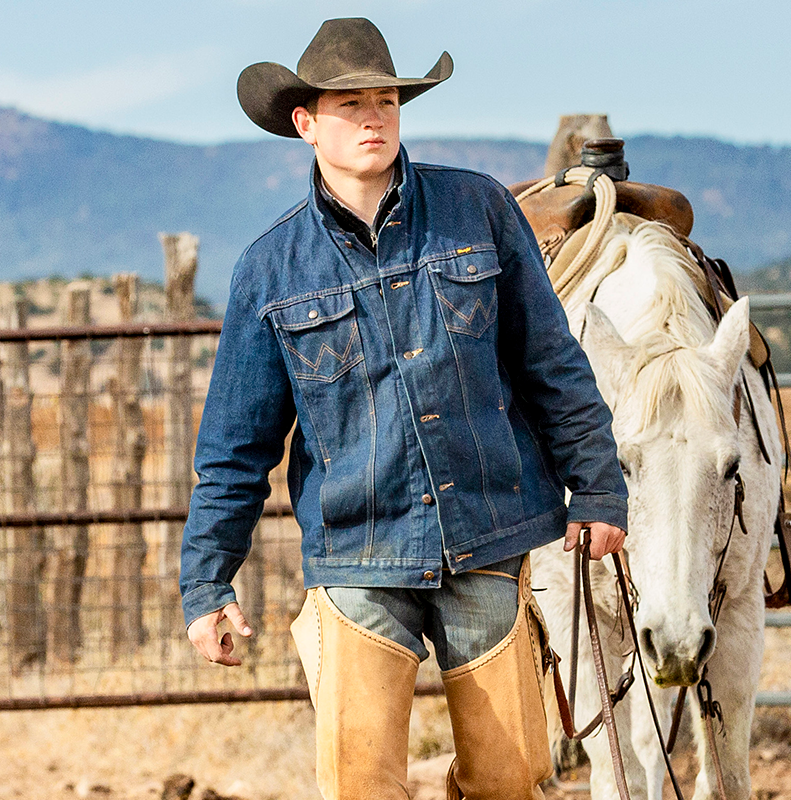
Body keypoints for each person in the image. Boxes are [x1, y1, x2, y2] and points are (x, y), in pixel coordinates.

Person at [179, 17, 628, 800]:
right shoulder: (271, 269)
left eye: (386, 99)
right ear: (306, 122)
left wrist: (597, 489)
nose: (372, 117)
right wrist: (207, 584)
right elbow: (234, 451)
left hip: (488, 536)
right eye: (349, 103)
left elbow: (552, 362)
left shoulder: (479, 210)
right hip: (357, 558)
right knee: (360, 784)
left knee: (512, 779)